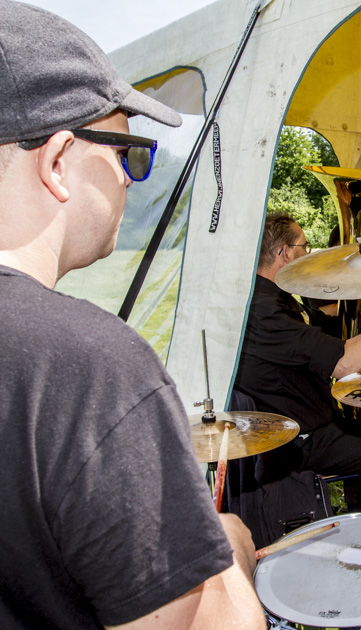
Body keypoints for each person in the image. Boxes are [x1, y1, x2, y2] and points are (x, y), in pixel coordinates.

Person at [0, 2, 264, 628]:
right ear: (58, 160)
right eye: (127, 152)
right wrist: (229, 550)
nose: (127, 178)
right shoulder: (87, 367)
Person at [235, 214, 361, 516]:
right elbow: (344, 364)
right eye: (304, 246)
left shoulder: (272, 298)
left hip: (313, 421)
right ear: (285, 252)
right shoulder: (265, 312)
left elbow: (331, 329)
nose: (308, 254)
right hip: (298, 442)